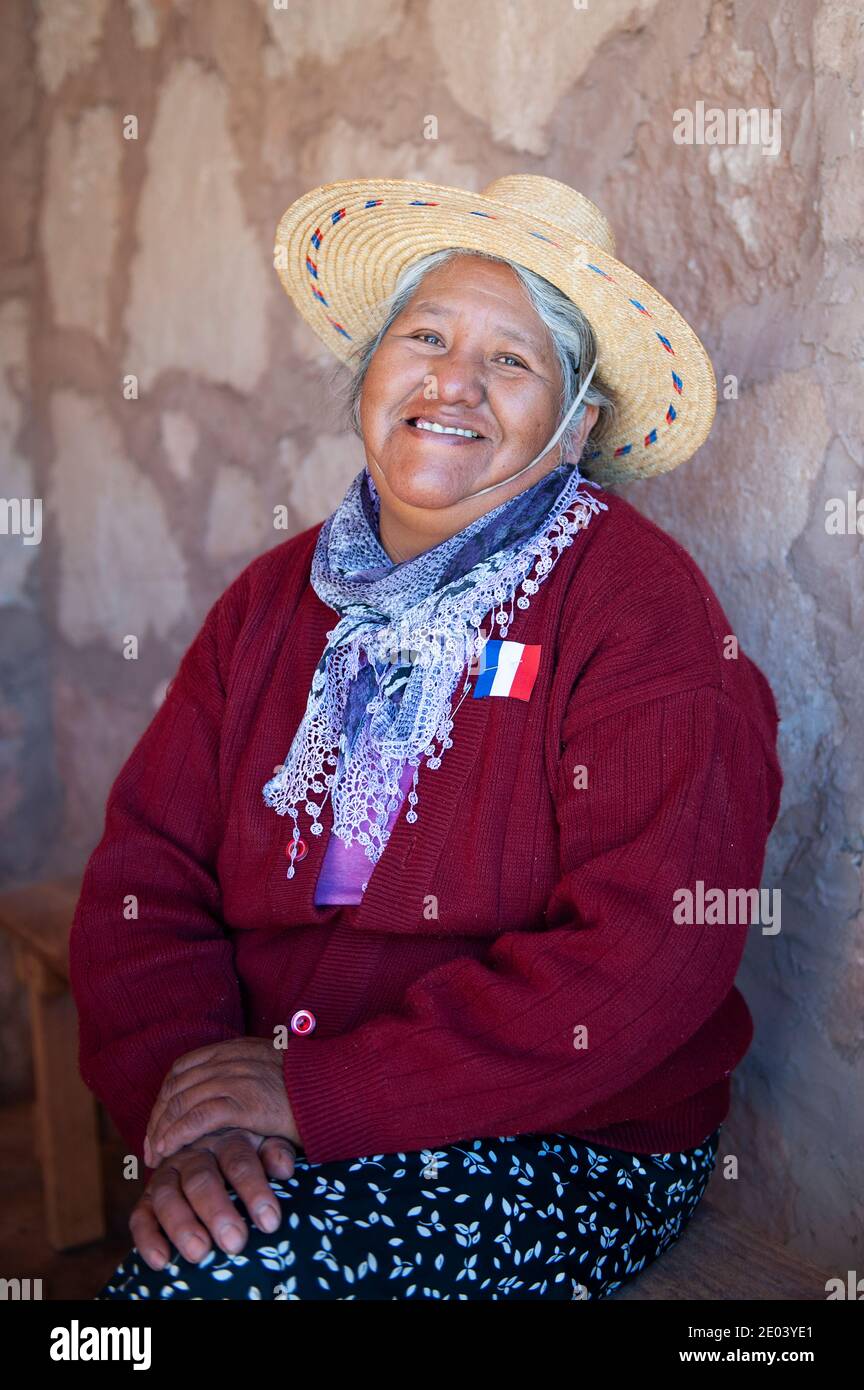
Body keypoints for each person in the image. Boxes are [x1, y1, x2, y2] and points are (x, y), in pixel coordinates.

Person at [71, 175, 782, 1301]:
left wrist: (315, 1095)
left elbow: (652, 952)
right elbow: (146, 878)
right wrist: (198, 1105)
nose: (454, 381)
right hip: (268, 1127)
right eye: (428, 336)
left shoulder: (640, 614)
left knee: (194, 1296)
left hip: (567, 1142)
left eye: (512, 361)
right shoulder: (274, 600)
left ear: (575, 424)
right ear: (372, 373)